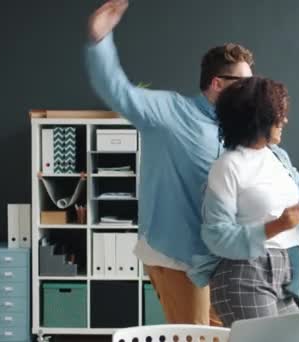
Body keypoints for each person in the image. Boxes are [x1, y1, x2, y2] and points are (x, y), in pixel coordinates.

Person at [85, 0, 254, 325]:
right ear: (217, 84)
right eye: (244, 85)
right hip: (177, 255)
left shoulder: (238, 128)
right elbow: (118, 91)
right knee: (196, 336)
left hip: (218, 256)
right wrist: (100, 41)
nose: (252, 92)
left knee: (226, 332)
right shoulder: (168, 112)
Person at [188, 76, 299, 327]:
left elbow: (292, 223)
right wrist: (275, 226)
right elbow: (216, 236)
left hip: (282, 274)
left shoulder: (276, 159)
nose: (285, 120)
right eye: (279, 114)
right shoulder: (227, 166)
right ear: (259, 118)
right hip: (244, 274)